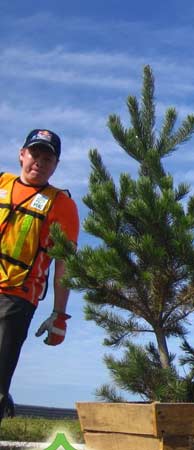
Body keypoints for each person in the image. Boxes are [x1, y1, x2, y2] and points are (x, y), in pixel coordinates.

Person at [0, 129, 79, 426]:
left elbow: (65, 264)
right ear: (22, 154)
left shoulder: (61, 204)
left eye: (48, 158)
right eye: (35, 154)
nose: (40, 163)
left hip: (15, 299)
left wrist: (59, 315)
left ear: (55, 165)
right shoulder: (1, 183)